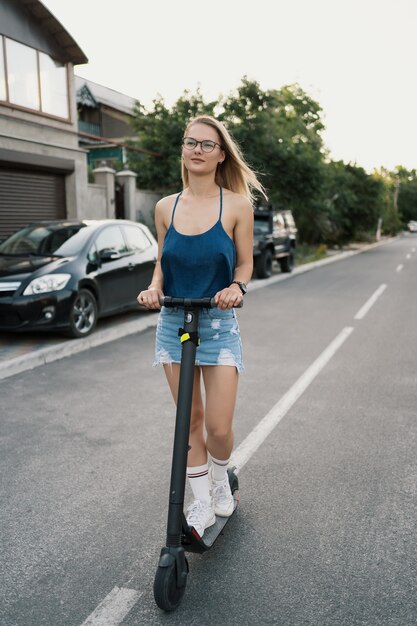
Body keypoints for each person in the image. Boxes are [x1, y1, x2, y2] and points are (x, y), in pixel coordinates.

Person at [137, 115, 265, 537]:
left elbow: (245, 263)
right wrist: (153, 288)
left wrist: (236, 286)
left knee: (218, 428)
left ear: (221, 155)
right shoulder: (165, 207)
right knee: (188, 421)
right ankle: (201, 505)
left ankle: (221, 476)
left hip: (218, 325)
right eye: (190, 142)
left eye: (207, 144)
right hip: (174, 323)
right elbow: (162, 263)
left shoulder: (237, 205)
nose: (196, 149)